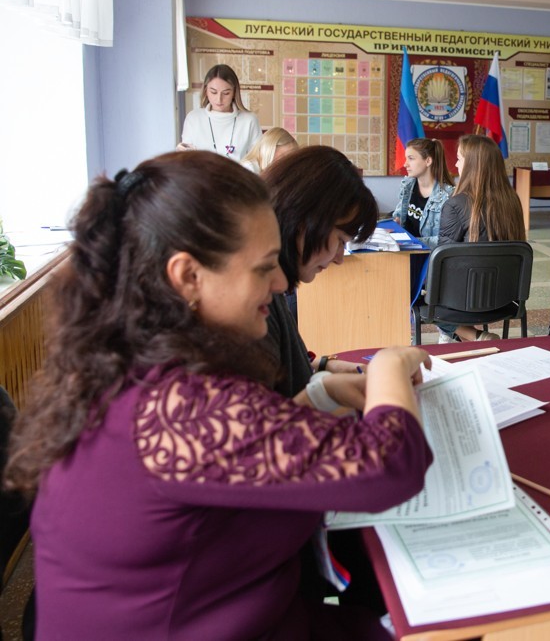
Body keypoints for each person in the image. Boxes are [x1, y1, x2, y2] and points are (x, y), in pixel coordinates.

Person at [4, 151, 433, 639]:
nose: (278, 283)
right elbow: (392, 462)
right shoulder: (177, 404)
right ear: (188, 277)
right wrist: (392, 366)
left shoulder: (126, 364)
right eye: (263, 268)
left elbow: (225, 450)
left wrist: (318, 395)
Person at [260, 144, 379, 398]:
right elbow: (267, 424)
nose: (339, 259)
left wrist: (325, 366)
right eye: (340, 240)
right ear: (301, 219)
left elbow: (284, 364)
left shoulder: (272, 286)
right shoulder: (256, 300)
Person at [437, 134, 526, 342]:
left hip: (464, 299)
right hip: (506, 298)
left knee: (413, 290)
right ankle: (464, 337)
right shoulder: (513, 201)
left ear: (471, 165)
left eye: (459, 158)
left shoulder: (455, 204)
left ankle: (472, 334)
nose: (455, 164)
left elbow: (444, 261)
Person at [177, 64, 262, 161]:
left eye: (226, 93)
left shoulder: (249, 120)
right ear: (206, 91)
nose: (219, 99)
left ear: (234, 92)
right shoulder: (194, 118)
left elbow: (257, 161)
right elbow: (187, 160)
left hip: (239, 175)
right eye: (213, 92)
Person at [391, 137, 455, 247]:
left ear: (428, 161)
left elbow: (447, 240)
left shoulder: (448, 195)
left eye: (411, 158)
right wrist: (396, 223)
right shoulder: (407, 185)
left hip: (429, 257)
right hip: (406, 252)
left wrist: (413, 242)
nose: (405, 164)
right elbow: (398, 216)